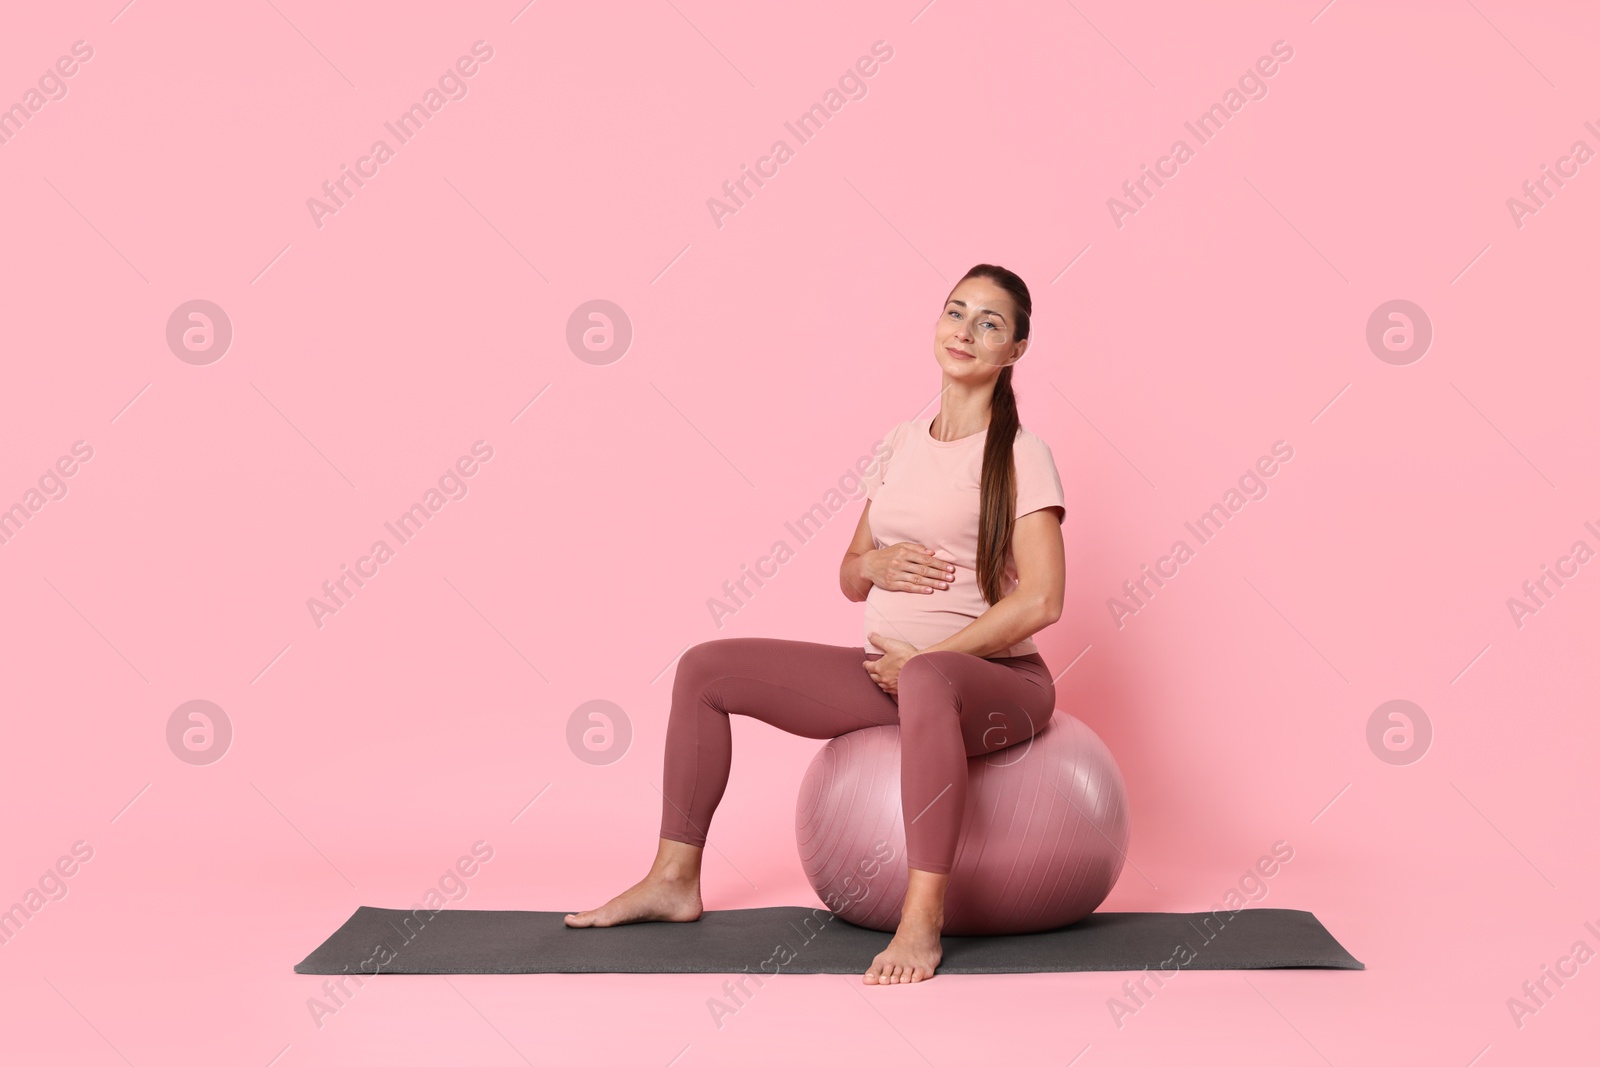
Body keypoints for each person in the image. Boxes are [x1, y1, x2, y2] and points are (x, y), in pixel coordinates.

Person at [564, 264, 1067, 985]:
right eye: (956, 312)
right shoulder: (900, 442)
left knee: (926, 676)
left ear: (1014, 349)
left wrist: (927, 660)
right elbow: (848, 572)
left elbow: (1043, 599)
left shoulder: (1022, 454)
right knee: (706, 667)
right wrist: (878, 566)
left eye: (989, 322)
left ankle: (921, 919)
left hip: (1000, 682)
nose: (965, 330)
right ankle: (673, 878)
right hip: (895, 674)